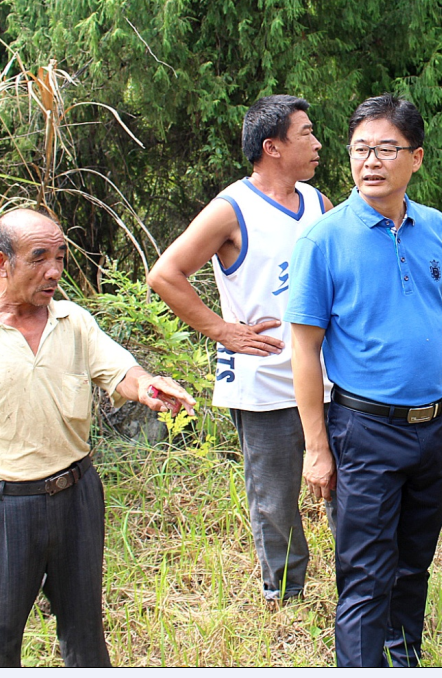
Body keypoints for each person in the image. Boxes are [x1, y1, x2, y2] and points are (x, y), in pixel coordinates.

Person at [0, 208, 196, 667]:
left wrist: (147, 386)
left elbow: (120, 370)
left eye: (60, 257)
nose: (55, 271)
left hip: (76, 499)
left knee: (86, 638)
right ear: (1, 264)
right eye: (39, 257)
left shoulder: (72, 321)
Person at [285, 93, 442, 667]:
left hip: (435, 426)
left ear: (415, 157)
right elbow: (304, 348)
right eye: (360, 149)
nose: (370, 161)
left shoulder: (437, 228)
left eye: (386, 149)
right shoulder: (323, 240)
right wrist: (316, 447)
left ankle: (403, 657)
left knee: (414, 564)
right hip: (365, 430)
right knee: (366, 575)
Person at [147, 95, 334, 604]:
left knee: (343, 485)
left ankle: (356, 587)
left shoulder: (318, 204)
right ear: (272, 147)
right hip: (264, 382)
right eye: (306, 134)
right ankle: (284, 596)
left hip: (326, 379)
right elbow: (165, 274)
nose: (318, 144)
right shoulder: (232, 208)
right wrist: (223, 331)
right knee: (275, 499)